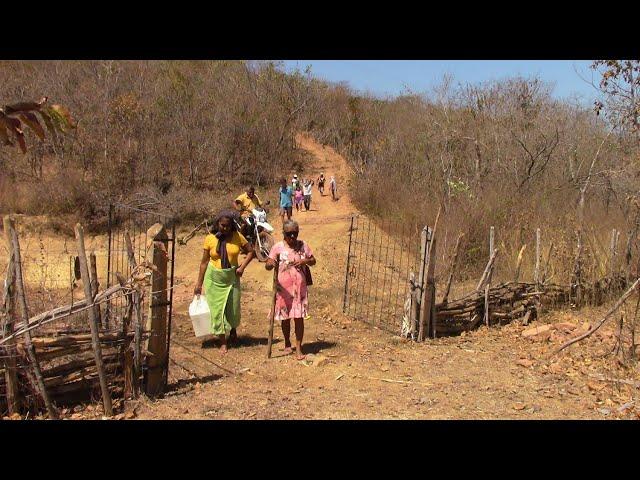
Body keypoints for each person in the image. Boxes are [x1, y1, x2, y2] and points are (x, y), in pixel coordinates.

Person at [194, 210, 255, 354]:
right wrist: (198, 284)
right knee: (217, 310)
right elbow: (204, 262)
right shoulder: (210, 239)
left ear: (231, 225)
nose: (225, 228)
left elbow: (251, 252)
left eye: (228, 226)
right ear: (217, 224)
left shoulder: (237, 237)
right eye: (222, 225)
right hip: (214, 278)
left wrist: (242, 267)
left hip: (232, 277)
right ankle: (223, 341)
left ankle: (233, 329)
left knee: (232, 309)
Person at [266, 220, 316, 360]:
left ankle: (299, 348)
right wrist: (271, 263)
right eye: (289, 234)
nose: (293, 237)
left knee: (299, 318)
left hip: (299, 290)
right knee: (285, 317)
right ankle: (287, 341)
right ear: (284, 234)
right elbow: (268, 264)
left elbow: (313, 260)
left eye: (295, 233)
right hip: (283, 290)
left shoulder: (303, 245)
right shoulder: (277, 247)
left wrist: (304, 261)